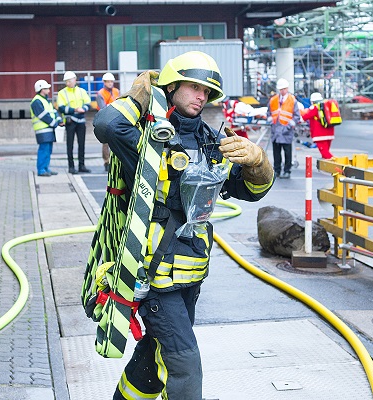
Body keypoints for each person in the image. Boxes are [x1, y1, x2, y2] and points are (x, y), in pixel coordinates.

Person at [93, 51, 274, 400]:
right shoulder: (146, 137)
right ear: (172, 86)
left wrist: (257, 164)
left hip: (191, 274)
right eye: (193, 87)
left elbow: (248, 191)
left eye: (207, 91)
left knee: (154, 358)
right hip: (154, 276)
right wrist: (141, 98)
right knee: (185, 364)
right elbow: (106, 125)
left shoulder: (210, 141)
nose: (201, 96)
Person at [57, 71, 91, 174]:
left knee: (82, 144)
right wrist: (75, 110)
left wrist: (83, 109)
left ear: (74, 80)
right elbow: (61, 108)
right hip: (70, 122)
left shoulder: (81, 91)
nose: (67, 83)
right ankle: (71, 167)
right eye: (66, 81)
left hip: (81, 121)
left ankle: (82, 165)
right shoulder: (62, 93)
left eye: (69, 81)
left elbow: (88, 104)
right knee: (70, 145)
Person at [267, 78, 301, 179]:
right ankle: (276, 171)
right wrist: (270, 121)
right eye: (281, 89)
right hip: (276, 130)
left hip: (286, 131)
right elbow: (269, 112)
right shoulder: (273, 100)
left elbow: (296, 116)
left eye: (284, 89)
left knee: (287, 152)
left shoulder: (292, 100)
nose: (282, 91)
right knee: (276, 153)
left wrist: (290, 125)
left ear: (287, 88)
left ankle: (287, 171)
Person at [30, 79, 63, 177]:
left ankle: (46, 168)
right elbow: (43, 115)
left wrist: (59, 120)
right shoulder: (36, 101)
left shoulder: (45, 100)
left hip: (48, 129)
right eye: (46, 88)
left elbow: (53, 112)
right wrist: (55, 123)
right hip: (43, 129)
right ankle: (41, 170)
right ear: (41, 89)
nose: (49, 90)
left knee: (48, 149)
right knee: (44, 149)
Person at [96, 72, 120, 172]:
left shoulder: (116, 91)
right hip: (105, 119)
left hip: (115, 118)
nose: (110, 83)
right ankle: (106, 162)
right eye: (108, 82)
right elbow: (102, 108)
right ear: (104, 82)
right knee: (105, 142)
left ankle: (115, 161)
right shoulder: (100, 93)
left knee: (116, 140)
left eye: (111, 81)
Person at [300, 92, 335, 159]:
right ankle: (327, 166)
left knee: (325, 153)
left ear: (312, 101)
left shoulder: (314, 108)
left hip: (320, 135)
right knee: (326, 151)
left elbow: (305, 117)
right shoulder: (326, 106)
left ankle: (337, 165)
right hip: (330, 132)